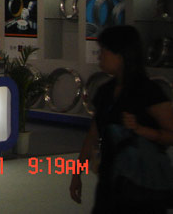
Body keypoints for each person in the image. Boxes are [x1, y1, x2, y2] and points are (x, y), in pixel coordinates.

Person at [69, 25, 173, 213]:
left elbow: (170, 134)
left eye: (105, 51)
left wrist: (142, 130)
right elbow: (92, 135)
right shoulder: (105, 91)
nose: (100, 56)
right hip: (111, 180)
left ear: (122, 55)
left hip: (142, 184)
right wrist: (77, 173)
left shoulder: (148, 91)